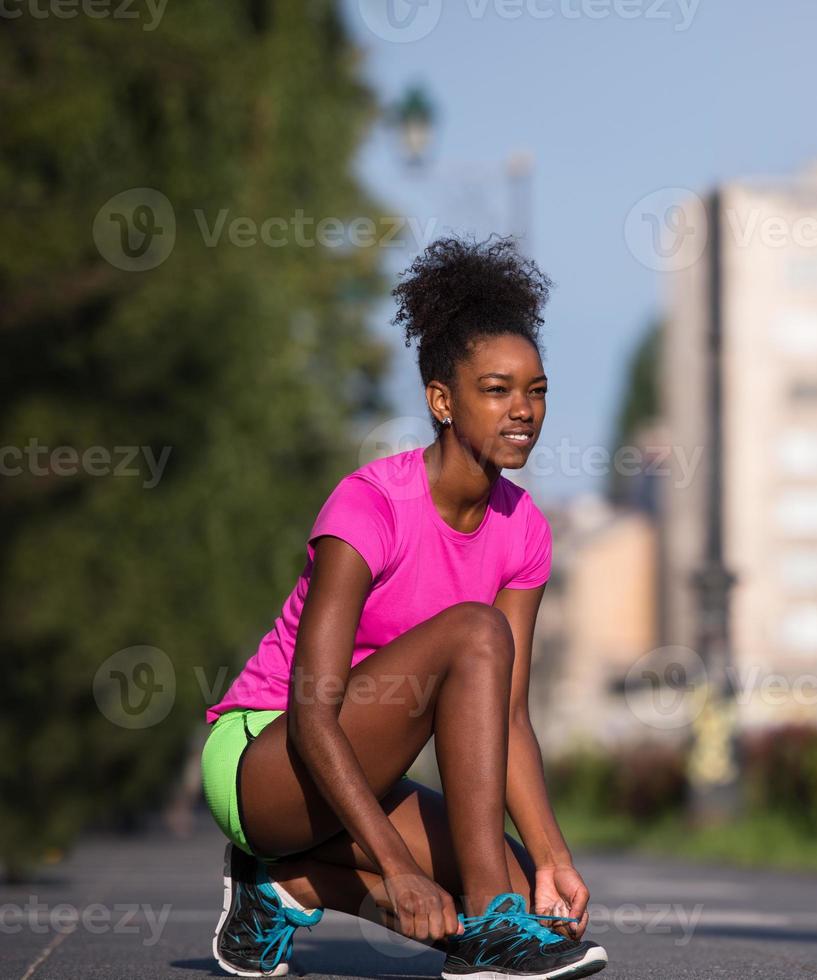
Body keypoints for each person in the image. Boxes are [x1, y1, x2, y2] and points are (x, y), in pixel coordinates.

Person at [198, 236, 606, 980]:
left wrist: (554, 861)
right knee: (475, 633)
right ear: (442, 401)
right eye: (497, 389)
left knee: (525, 892)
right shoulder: (370, 506)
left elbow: (509, 719)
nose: (523, 410)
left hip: (367, 768)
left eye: (537, 389)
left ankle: (282, 884)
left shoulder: (526, 532)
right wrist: (398, 864)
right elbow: (313, 709)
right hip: (267, 756)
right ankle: (487, 927)